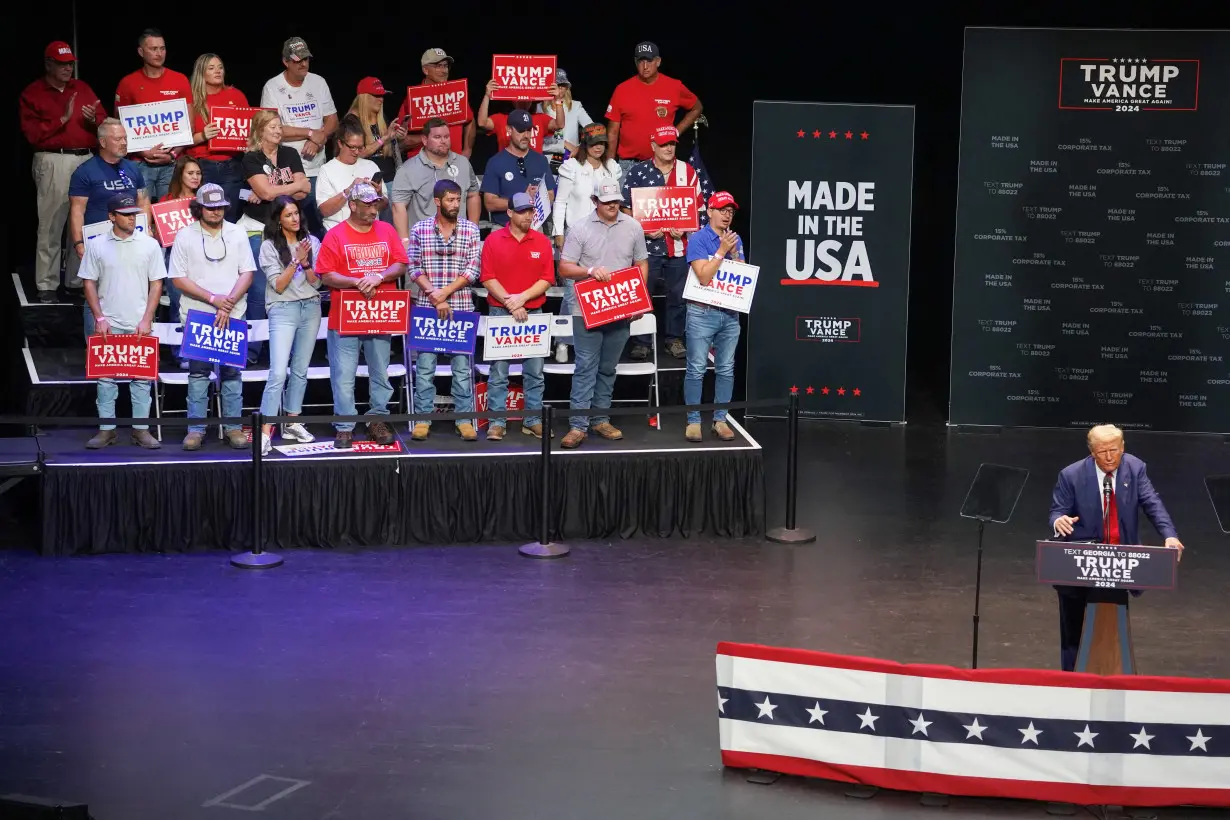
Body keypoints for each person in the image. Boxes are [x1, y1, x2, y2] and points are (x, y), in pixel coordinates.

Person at [1048, 424, 1185, 672]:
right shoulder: (1071, 475)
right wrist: (1059, 521)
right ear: (1091, 452)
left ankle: (1115, 678)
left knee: (1112, 624)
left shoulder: (1135, 468)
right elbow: (1057, 511)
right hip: (1079, 565)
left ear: (1123, 447)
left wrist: (1170, 536)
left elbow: (1153, 504)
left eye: (1114, 450)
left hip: (1119, 563)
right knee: (1073, 633)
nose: (1110, 457)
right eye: (1102, 452)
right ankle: (1069, 684)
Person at [557, 178, 649, 449]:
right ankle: (578, 424)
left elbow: (641, 262)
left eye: (616, 201)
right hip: (586, 309)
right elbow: (564, 268)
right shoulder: (580, 228)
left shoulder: (633, 226)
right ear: (594, 201)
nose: (612, 206)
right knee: (586, 365)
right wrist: (589, 271)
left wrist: (639, 299)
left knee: (608, 368)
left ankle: (600, 418)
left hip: (621, 307)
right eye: (606, 201)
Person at [316, 183, 408, 449]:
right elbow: (325, 274)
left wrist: (378, 276)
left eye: (375, 204)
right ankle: (345, 425)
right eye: (366, 204)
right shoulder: (335, 235)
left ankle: (376, 419)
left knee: (380, 371)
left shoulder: (387, 230)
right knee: (343, 374)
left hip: (381, 314)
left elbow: (401, 263)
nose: (372, 209)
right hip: (346, 315)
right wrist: (357, 281)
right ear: (352, 205)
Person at [167, 184, 256, 451]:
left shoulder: (237, 233)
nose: (216, 211)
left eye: (220, 207)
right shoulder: (184, 235)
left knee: (231, 374)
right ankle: (195, 429)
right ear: (199, 208)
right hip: (198, 315)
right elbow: (178, 278)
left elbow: (248, 273)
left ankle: (233, 428)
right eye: (210, 207)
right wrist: (212, 299)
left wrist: (226, 304)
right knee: (198, 374)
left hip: (232, 314)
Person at [20, 41, 104, 303]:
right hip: (54, 160)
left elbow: (102, 120)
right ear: (48, 64)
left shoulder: (82, 88)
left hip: (86, 158)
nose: (68, 69)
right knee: (52, 223)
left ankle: (76, 281)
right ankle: (47, 283)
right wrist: (62, 120)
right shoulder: (34, 93)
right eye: (62, 64)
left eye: (70, 64)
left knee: (81, 223)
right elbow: (32, 134)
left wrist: (94, 120)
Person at [80, 192, 165, 450]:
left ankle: (141, 430)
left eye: (133, 214)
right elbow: (88, 282)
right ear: (111, 217)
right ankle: (107, 430)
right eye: (126, 215)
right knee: (105, 379)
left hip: (139, 321)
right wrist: (99, 317)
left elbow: (157, 283)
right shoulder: (96, 245)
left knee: (142, 380)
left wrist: (147, 318)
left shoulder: (149, 245)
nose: (131, 219)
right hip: (109, 321)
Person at [622, 125, 708, 361]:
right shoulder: (638, 172)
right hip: (646, 247)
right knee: (643, 294)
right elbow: (626, 210)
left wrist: (686, 228)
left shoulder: (687, 171)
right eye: (664, 145)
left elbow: (699, 209)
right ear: (653, 147)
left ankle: (674, 339)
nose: (669, 148)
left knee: (677, 296)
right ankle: (641, 341)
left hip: (679, 246)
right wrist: (645, 231)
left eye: (672, 144)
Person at [407, 180, 481, 442]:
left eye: (458, 199)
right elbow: (414, 268)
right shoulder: (419, 229)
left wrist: (444, 294)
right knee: (425, 369)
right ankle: (422, 419)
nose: (455, 204)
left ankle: (464, 420)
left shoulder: (471, 230)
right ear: (437, 202)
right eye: (450, 200)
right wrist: (435, 297)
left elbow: (473, 271)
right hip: (428, 308)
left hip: (460, 308)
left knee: (462, 371)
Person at [479, 193, 555, 440]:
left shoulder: (542, 241)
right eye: (522, 211)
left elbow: (547, 279)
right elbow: (487, 277)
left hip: (533, 313)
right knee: (499, 372)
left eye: (530, 211)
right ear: (510, 213)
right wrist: (512, 303)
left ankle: (532, 419)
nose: (528, 216)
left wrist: (520, 299)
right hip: (501, 311)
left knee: (535, 371)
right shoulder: (493, 239)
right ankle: (497, 421)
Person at [239, 110, 311, 362]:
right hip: (258, 228)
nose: (278, 131)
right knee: (260, 289)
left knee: (292, 286)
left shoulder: (290, 154)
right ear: (260, 131)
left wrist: (272, 191)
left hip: (288, 229)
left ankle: (289, 349)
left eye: (280, 127)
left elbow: (305, 190)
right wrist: (288, 188)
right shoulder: (251, 158)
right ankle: (254, 350)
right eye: (272, 127)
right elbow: (272, 192)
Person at [69, 119, 150, 332]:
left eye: (125, 138)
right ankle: (95, 347)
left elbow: (143, 201)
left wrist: (147, 232)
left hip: (131, 241)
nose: (124, 143)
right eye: (118, 139)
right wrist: (79, 243)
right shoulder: (85, 171)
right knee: (95, 292)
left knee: (133, 289)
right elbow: (77, 210)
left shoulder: (133, 169)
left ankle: (131, 341)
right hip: (99, 244)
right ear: (103, 142)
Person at [256, 196, 322, 455]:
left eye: (296, 213)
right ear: (278, 219)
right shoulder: (269, 246)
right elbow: (279, 285)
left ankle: (292, 421)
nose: (295, 218)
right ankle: (265, 431)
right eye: (288, 215)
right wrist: (295, 260)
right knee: (278, 372)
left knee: (300, 370)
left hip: (311, 307)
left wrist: (306, 262)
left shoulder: (312, 242)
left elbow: (317, 283)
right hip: (283, 309)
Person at [260, 37, 337, 237]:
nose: (303, 64)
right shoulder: (272, 87)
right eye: (297, 60)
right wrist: (311, 133)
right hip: (287, 172)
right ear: (286, 62)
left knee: (319, 226)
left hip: (319, 168)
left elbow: (332, 120)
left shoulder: (318, 82)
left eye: (306, 59)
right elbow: (271, 127)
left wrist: (320, 137)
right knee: (291, 228)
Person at [683, 192, 744, 443]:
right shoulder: (698, 239)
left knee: (726, 368)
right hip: (702, 312)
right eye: (722, 209)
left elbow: (741, 274)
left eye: (731, 210)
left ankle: (721, 419)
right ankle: (694, 421)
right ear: (710, 212)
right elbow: (704, 276)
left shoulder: (736, 239)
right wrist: (722, 250)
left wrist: (735, 255)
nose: (727, 214)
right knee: (696, 368)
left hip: (729, 313)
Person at [114, 28, 193, 201]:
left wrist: (171, 154)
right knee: (140, 215)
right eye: (153, 49)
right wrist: (144, 153)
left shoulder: (180, 80)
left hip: (172, 162)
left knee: (170, 213)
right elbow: (119, 127)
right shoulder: (128, 83)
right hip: (139, 162)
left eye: (162, 48)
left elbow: (189, 126)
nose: (159, 53)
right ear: (141, 52)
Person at [606, 41, 702, 175]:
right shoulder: (622, 89)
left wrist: (676, 131)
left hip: (662, 163)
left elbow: (697, 107)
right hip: (627, 165)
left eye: (649, 61)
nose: (645, 66)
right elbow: (613, 131)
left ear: (658, 61)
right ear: (635, 62)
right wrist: (610, 162)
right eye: (641, 61)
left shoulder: (673, 86)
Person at [390, 117, 480, 236]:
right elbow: (398, 207)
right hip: (425, 241)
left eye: (446, 137)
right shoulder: (408, 169)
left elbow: (473, 195)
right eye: (437, 137)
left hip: (459, 239)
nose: (443, 141)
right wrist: (405, 241)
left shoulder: (463, 163)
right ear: (425, 140)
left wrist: (473, 231)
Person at [185, 53, 248, 222]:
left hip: (232, 165)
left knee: (230, 217)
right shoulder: (191, 99)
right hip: (202, 166)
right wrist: (202, 136)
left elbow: (249, 128)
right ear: (201, 73)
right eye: (211, 68)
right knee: (205, 217)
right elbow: (180, 138)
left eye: (220, 67)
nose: (218, 71)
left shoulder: (236, 95)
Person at [395, 48, 475, 159]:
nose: (444, 71)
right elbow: (400, 143)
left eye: (446, 66)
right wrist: (429, 137)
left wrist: (467, 149)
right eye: (438, 66)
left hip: (453, 162)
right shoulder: (413, 97)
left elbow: (470, 120)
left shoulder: (455, 93)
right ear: (425, 70)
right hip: (422, 165)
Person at [480, 110, 555, 228]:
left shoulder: (541, 160)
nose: (526, 135)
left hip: (534, 227)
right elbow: (489, 203)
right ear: (509, 130)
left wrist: (540, 196)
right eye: (521, 131)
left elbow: (551, 195)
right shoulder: (495, 162)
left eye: (529, 130)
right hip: (503, 228)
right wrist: (520, 200)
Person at [553, 123, 621, 248]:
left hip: (607, 234)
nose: (598, 147)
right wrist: (558, 233)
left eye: (601, 142)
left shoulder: (612, 167)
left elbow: (616, 202)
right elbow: (560, 202)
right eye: (593, 143)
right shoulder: (571, 167)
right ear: (584, 144)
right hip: (577, 234)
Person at [160, 155, 204, 328]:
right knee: (178, 306)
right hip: (175, 258)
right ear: (180, 175)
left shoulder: (205, 200)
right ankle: (179, 354)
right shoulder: (167, 201)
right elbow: (160, 238)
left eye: (198, 173)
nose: (195, 177)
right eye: (190, 173)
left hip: (203, 256)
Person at [315, 120, 381, 232]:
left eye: (360, 148)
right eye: (352, 147)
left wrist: (378, 194)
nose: (356, 152)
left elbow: (383, 206)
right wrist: (349, 190)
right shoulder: (326, 170)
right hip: (339, 233)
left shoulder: (371, 166)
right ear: (340, 143)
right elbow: (324, 210)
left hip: (370, 231)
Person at [476, 78, 564, 154]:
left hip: (533, 167)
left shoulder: (540, 118)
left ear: (532, 101)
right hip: (508, 168)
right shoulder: (502, 119)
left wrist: (558, 100)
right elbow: (482, 123)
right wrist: (487, 95)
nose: (523, 102)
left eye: (527, 99)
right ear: (512, 100)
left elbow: (559, 125)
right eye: (519, 99)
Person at [344, 77, 404, 186]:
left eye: (382, 95)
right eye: (376, 95)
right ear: (364, 97)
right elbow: (358, 153)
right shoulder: (351, 121)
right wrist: (384, 138)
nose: (381, 99)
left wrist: (398, 137)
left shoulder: (381, 117)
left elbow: (389, 151)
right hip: (365, 182)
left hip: (390, 179)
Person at [538, 69, 593, 164]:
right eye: (556, 85)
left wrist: (580, 147)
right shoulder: (539, 108)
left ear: (567, 88)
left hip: (571, 159)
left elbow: (593, 129)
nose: (559, 88)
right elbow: (535, 138)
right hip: (545, 158)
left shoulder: (576, 106)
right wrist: (562, 144)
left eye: (562, 85)